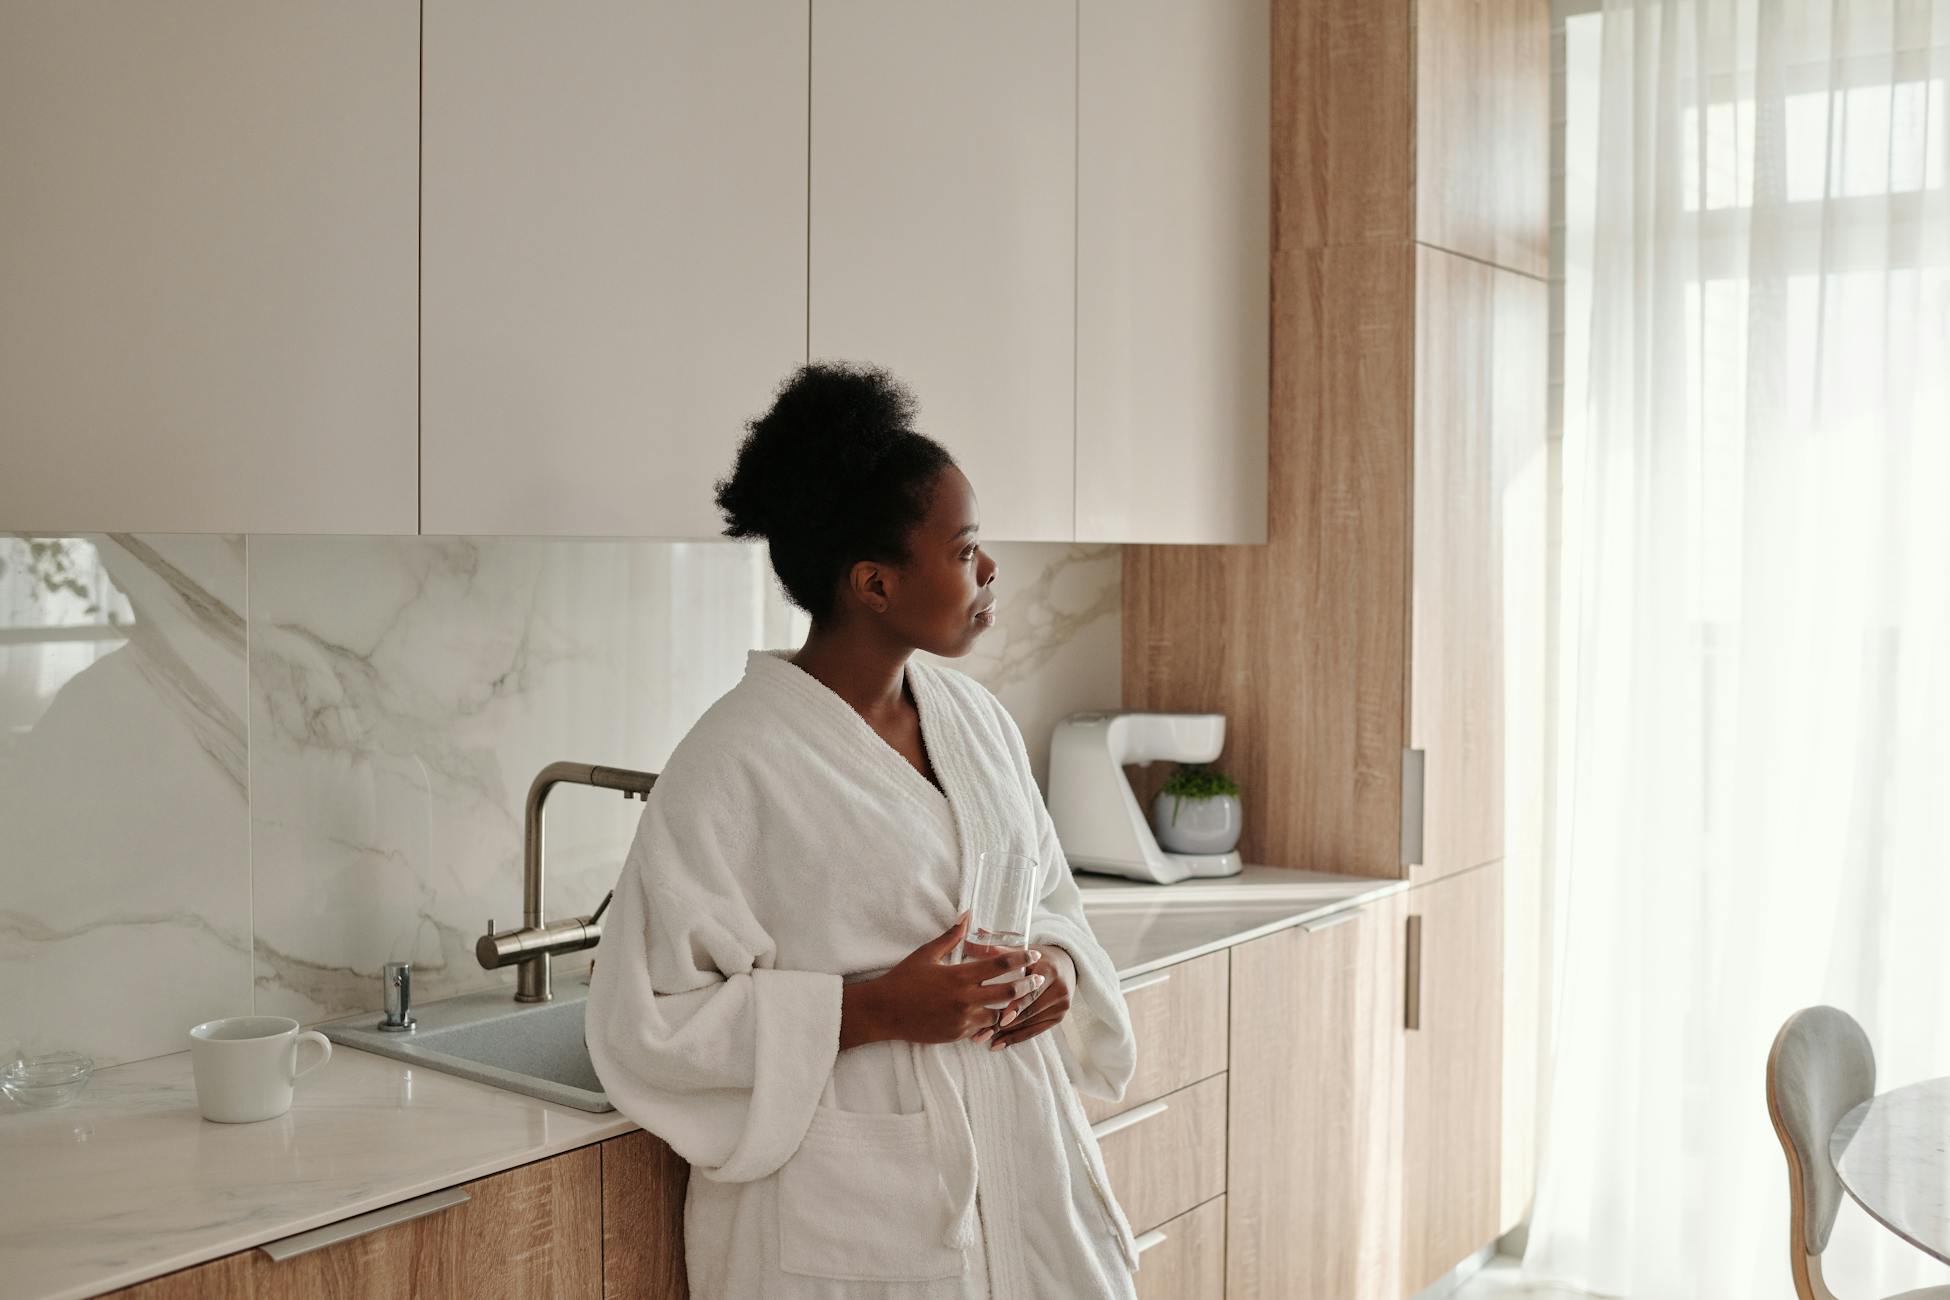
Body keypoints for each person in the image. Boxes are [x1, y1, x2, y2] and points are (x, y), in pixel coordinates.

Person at [584, 362, 1142, 1299]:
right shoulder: (733, 764)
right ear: (874, 584)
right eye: (965, 550)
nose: (989, 569)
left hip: (1021, 1166)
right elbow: (647, 1024)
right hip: (853, 1214)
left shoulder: (976, 722)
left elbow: (1048, 895)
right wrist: (874, 1010)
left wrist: (1058, 968)